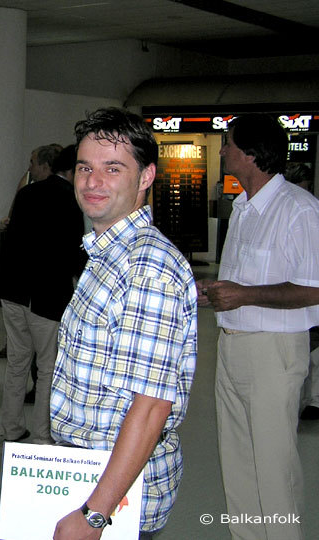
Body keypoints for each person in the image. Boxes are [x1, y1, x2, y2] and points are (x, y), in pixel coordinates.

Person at [51, 107, 197, 539]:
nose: (92, 182)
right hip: (90, 473)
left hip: (120, 499)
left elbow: (151, 406)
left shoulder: (146, 268)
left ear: (147, 176)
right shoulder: (107, 253)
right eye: (84, 168)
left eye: (112, 169)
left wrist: (95, 515)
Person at [197, 114, 319, 540]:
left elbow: (315, 288)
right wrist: (214, 291)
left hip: (274, 352)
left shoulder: (299, 210)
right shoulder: (244, 208)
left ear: (251, 153)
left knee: (273, 467)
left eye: (227, 143)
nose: (222, 150)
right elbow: (242, 283)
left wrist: (246, 296)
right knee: (238, 464)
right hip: (231, 347)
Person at [0, 144, 86, 444]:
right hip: (46, 296)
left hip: (13, 290)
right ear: (72, 170)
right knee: (48, 367)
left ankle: (11, 428)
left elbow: (12, 239)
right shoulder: (71, 200)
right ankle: (42, 434)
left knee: (17, 362)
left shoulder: (26, 193)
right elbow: (74, 252)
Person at [285, 162, 319, 421]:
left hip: (308, 299)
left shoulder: (307, 210)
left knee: (314, 355)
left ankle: (313, 400)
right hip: (292, 304)